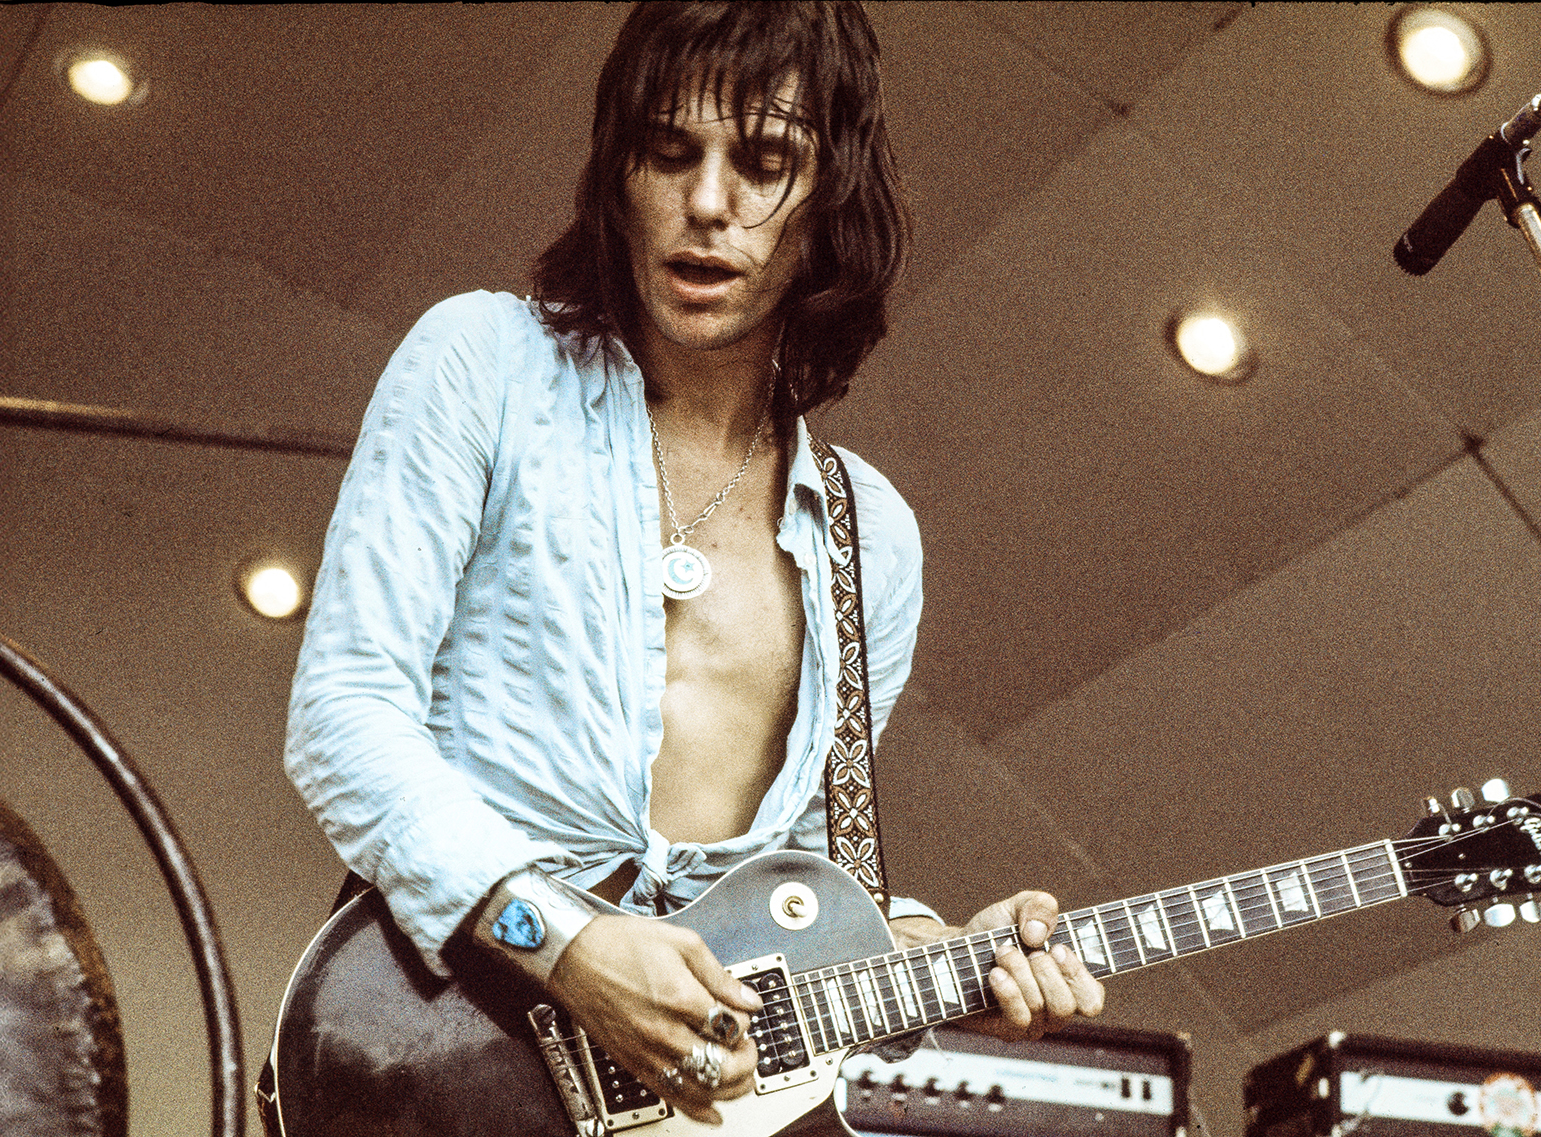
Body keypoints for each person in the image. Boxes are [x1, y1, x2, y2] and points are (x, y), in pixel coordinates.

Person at [283, 1, 1104, 1128]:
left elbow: (801, 890)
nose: (707, 204)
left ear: (831, 200)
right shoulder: (485, 365)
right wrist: (563, 945)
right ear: (618, 174)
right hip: (437, 1055)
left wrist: (930, 950)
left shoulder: (873, 537)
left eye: (763, 161)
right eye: (670, 152)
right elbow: (344, 717)